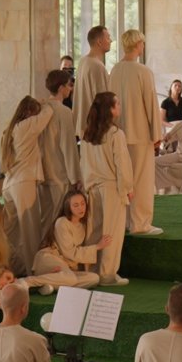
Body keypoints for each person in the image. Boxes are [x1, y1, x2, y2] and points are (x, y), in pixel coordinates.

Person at [111, 29, 162, 236]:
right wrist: (156, 134)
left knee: (123, 179)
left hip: (117, 132)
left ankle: (124, 222)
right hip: (140, 134)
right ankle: (140, 224)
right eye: (142, 43)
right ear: (138, 44)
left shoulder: (115, 70)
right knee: (142, 180)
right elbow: (151, 103)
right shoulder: (143, 71)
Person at [80, 92, 133, 286]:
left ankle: (91, 271)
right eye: (116, 103)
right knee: (112, 233)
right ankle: (107, 274)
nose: (119, 106)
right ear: (109, 109)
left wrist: (86, 185)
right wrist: (127, 188)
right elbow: (122, 164)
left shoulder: (88, 134)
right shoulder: (115, 134)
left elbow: (83, 163)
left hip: (92, 187)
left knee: (94, 230)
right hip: (111, 187)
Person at [1, 96, 54, 275]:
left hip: (9, 184)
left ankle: (13, 268)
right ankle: (35, 272)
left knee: (12, 233)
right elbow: (48, 113)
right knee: (31, 230)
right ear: (30, 112)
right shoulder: (26, 125)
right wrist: (46, 102)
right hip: (23, 183)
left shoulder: (9, 130)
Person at [29, 190, 106, 294]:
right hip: (50, 258)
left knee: (94, 278)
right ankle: (28, 281)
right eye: (76, 205)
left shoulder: (82, 225)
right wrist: (97, 247)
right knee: (70, 279)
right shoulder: (62, 222)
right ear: (68, 207)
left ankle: (50, 285)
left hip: (66, 267)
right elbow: (69, 252)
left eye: (83, 203)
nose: (81, 208)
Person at [39, 69, 81, 236]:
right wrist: (75, 177)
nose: (70, 89)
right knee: (59, 221)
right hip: (60, 172)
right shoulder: (64, 112)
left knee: (45, 219)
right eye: (69, 85)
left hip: (41, 171)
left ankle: (43, 250)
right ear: (61, 87)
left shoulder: (40, 108)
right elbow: (68, 146)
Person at [73, 25, 112, 138]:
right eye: (108, 38)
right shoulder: (96, 65)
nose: (110, 41)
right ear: (99, 42)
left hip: (85, 125)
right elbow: (102, 99)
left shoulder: (83, 61)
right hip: (96, 128)